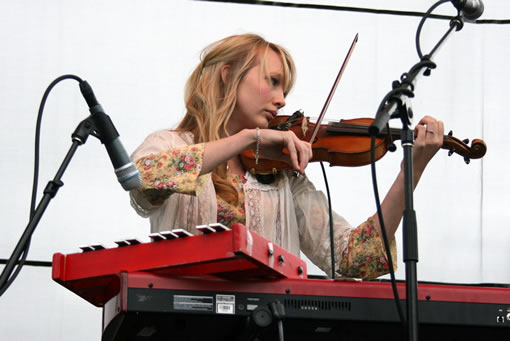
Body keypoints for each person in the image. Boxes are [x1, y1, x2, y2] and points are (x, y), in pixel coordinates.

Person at [129, 33, 444, 279]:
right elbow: (142, 179)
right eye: (273, 81)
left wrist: (410, 171)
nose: (281, 100)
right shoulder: (170, 144)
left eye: (285, 90)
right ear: (228, 75)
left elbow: (354, 258)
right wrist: (245, 139)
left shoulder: (281, 174)